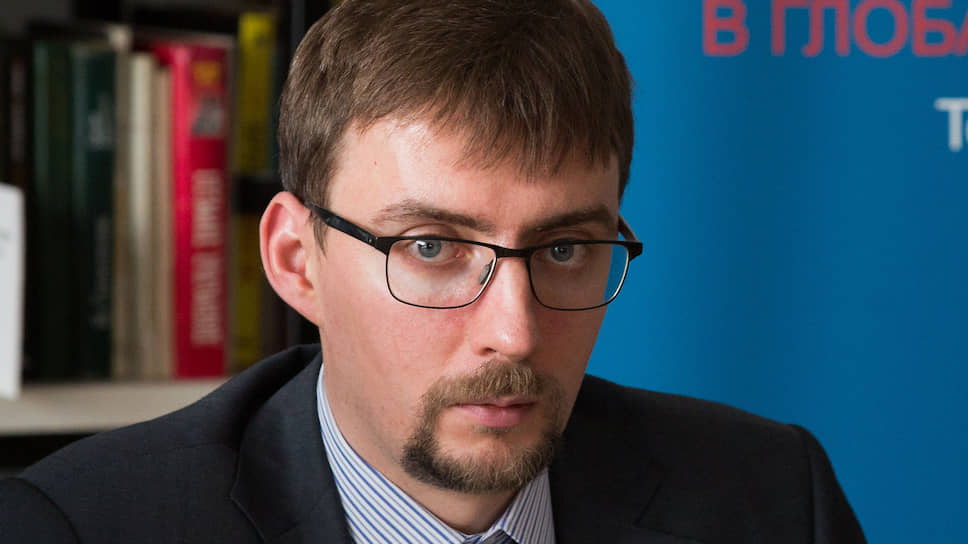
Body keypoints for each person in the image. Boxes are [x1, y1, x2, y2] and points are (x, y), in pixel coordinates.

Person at [0, 0, 866, 542]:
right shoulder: (80, 526)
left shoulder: (773, 500)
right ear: (297, 261)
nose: (515, 332)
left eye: (564, 249)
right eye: (431, 247)